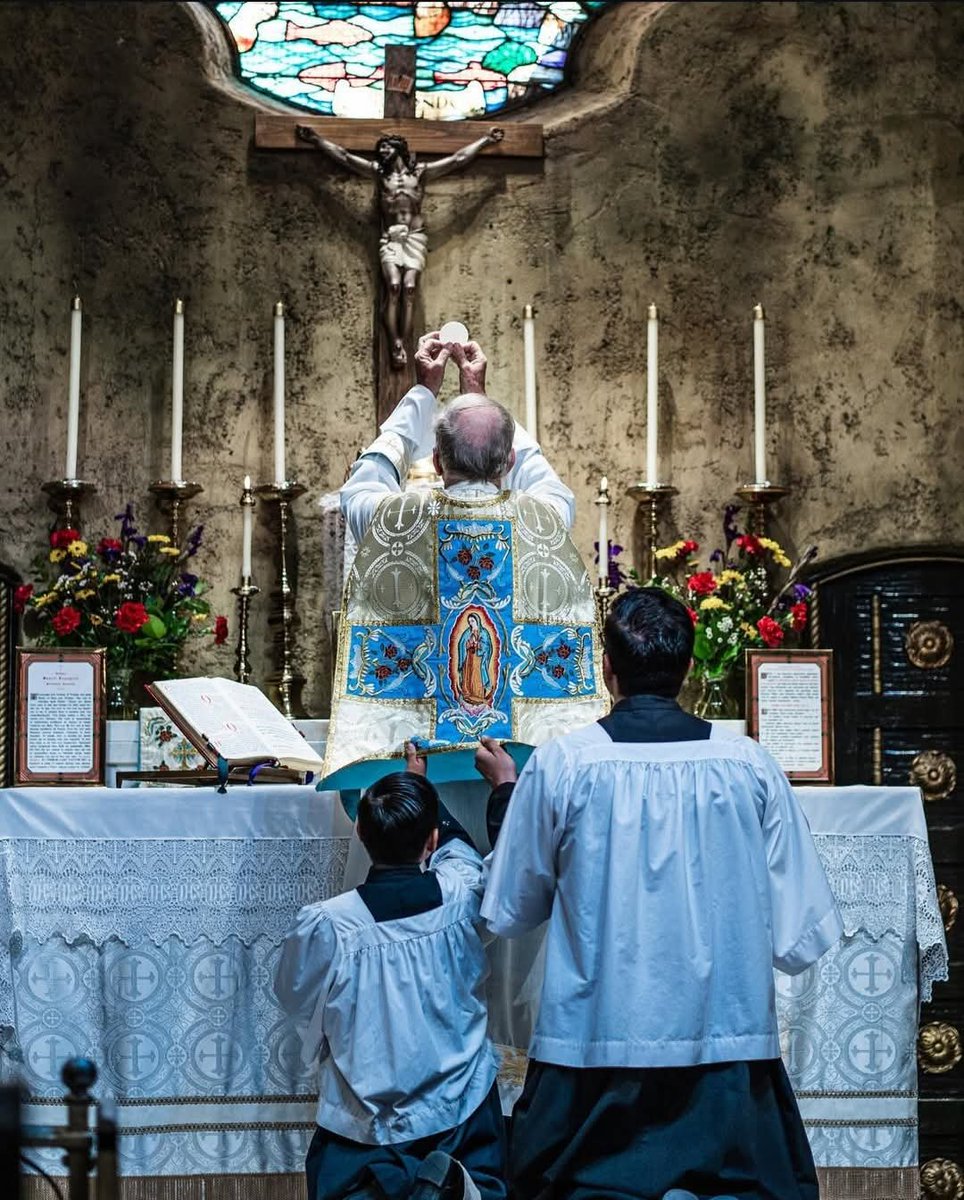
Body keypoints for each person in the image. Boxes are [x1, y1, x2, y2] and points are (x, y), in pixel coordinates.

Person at [477, 586, 844, 1200]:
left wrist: (507, 794)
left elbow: (513, 908)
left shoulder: (564, 765)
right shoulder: (749, 765)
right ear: (689, 667)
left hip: (592, 1059)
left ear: (607, 668)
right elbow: (800, 935)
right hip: (724, 1058)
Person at [275, 752, 507, 1200]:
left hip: (364, 1120)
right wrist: (421, 787)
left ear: (361, 831)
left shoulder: (329, 924)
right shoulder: (461, 894)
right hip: (460, 1109)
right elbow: (459, 848)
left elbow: (295, 997)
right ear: (431, 839)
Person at [296, 127, 504, 368]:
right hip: (391, 238)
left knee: (410, 288)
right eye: (380, 148)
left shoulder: (420, 172)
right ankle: (395, 341)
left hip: (414, 237)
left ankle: (403, 341)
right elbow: (344, 157)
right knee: (394, 287)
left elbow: (457, 159)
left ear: (399, 149)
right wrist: (316, 139)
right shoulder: (380, 174)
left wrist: (486, 140)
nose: (382, 151)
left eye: (386, 147)